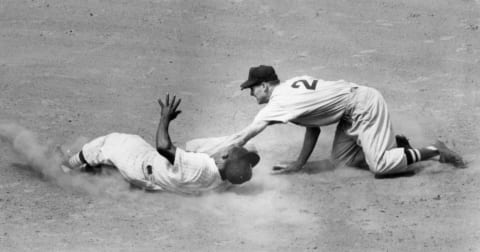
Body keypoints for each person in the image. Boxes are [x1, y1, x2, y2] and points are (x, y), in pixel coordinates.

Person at [212, 65, 466, 177]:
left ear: (265, 86)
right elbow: (312, 125)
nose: (250, 93)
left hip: (363, 105)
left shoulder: (280, 101)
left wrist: (219, 154)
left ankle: (433, 151)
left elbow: (247, 134)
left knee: (380, 166)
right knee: (341, 162)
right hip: (351, 110)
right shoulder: (290, 89)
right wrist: (300, 163)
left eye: (252, 88)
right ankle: (386, 147)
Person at [61, 94, 260, 194]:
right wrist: (244, 161)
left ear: (224, 158)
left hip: (142, 167)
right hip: (157, 184)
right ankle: (94, 171)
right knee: (111, 167)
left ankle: (66, 166)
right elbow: (241, 166)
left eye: (229, 152)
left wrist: (165, 118)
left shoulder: (199, 167)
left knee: (109, 143)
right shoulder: (222, 184)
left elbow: (163, 147)